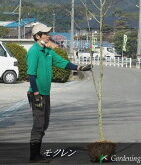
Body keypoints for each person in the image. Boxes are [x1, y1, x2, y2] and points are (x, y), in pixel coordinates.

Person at [27, 23, 92, 163]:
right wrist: (36, 94)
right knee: (38, 124)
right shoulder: (34, 51)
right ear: (38, 36)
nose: (48, 35)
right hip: (37, 94)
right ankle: (34, 156)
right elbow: (31, 75)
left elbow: (63, 63)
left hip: (45, 93)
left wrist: (80, 67)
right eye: (45, 34)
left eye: (48, 33)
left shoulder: (48, 51)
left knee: (44, 124)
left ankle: (37, 153)